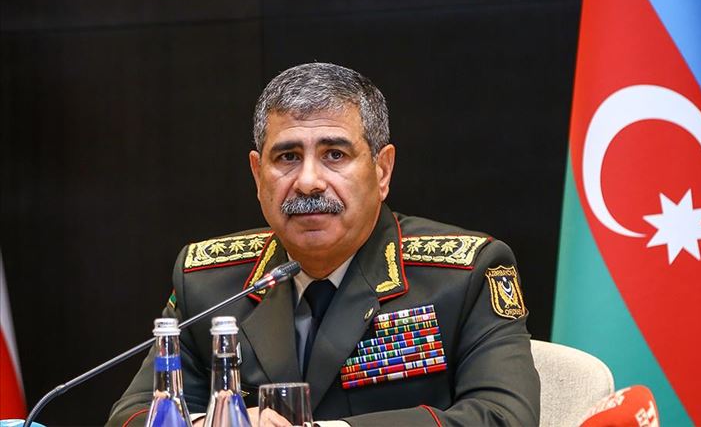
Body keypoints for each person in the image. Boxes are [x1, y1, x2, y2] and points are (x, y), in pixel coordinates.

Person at [107, 63, 540, 426]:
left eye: (335, 154)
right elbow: (133, 415)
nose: (309, 181)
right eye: (288, 157)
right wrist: (219, 423)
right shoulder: (209, 282)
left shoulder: (464, 274)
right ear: (257, 175)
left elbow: (504, 417)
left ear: (382, 170)